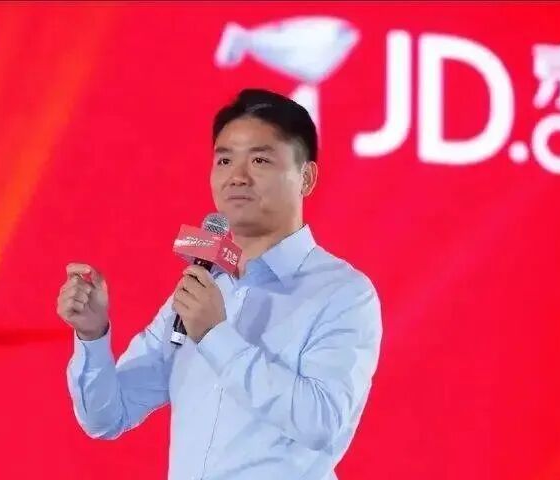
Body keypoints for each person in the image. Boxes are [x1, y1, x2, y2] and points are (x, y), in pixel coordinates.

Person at [57, 88, 383, 480]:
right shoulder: (205, 286)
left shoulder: (343, 293)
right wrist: (93, 335)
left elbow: (322, 422)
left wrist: (216, 336)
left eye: (260, 160)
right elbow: (108, 416)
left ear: (306, 177)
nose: (237, 177)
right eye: (224, 160)